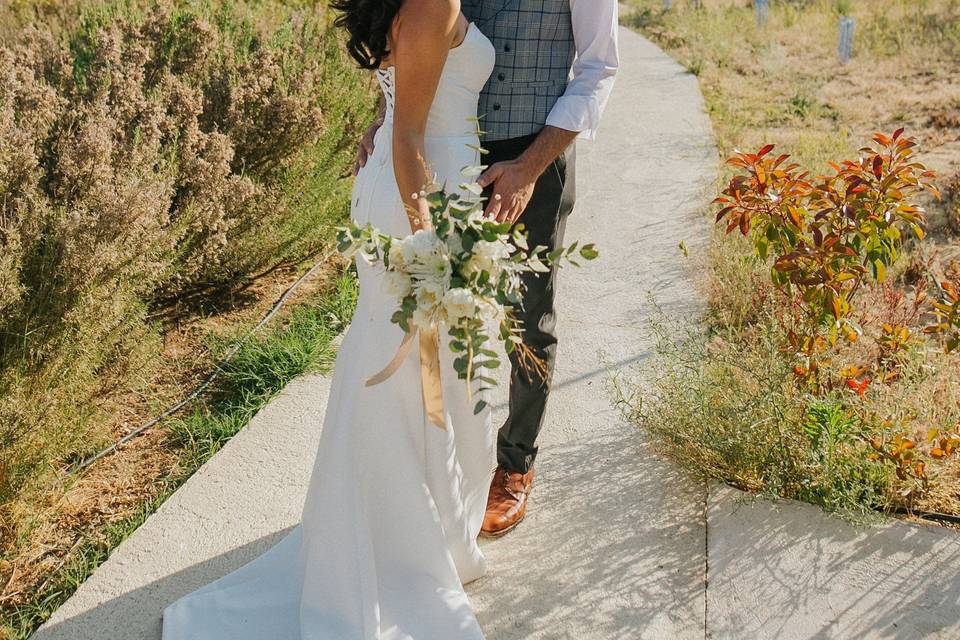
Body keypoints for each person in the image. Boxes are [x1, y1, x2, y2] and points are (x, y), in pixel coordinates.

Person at [163, 0, 498, 637]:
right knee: (403, 369)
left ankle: (418, 528)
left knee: (422, 370)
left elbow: (402, 92)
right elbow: (408, 134)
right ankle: (393, 546)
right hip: (419, 197)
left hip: (426, 186)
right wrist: (425, 244)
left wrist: (385, 118)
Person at [358, 0, 620, 538]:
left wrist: (527, 168)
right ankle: (441, 464)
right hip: (448, 157)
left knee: (529, 315)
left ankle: (516, 463)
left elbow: (598, 71)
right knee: (436, 321)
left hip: (533, 158)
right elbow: (418, 32)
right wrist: (387, 120)